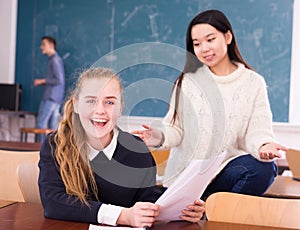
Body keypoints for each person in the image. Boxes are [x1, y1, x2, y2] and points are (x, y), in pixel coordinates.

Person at [132, 10, 287, 198]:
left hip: (224, 176)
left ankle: (211, 211)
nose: (204, 48)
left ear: (228, 37)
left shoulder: (253, 82)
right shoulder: (188, 81)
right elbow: (175, 130)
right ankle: (195, 207)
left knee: (263, 168)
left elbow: (257, 130)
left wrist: (263, 146)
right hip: (186, 178)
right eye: (196, 44)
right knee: (139, 199)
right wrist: (157, 137)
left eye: (210, 39)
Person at [38, 68, 205, 227]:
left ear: (120, 108)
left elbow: (148, 200)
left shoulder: (137, 150)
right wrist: (122, 215)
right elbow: (54, 203)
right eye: (91, 101)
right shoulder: (56, 144)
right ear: (76, 104)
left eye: (109, 102)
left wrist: (183, 208)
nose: (100, 110)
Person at [34, 36, 65, 130]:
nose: (41, 47)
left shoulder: (54, 60)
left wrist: (42, 81)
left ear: (51, 45)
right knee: (53, 127)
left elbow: (59, 80)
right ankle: (52, 145)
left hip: (50, 98)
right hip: (56, 98)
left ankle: (39, 145)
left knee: (41, 125)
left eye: (43, 44)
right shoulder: (55, 60)